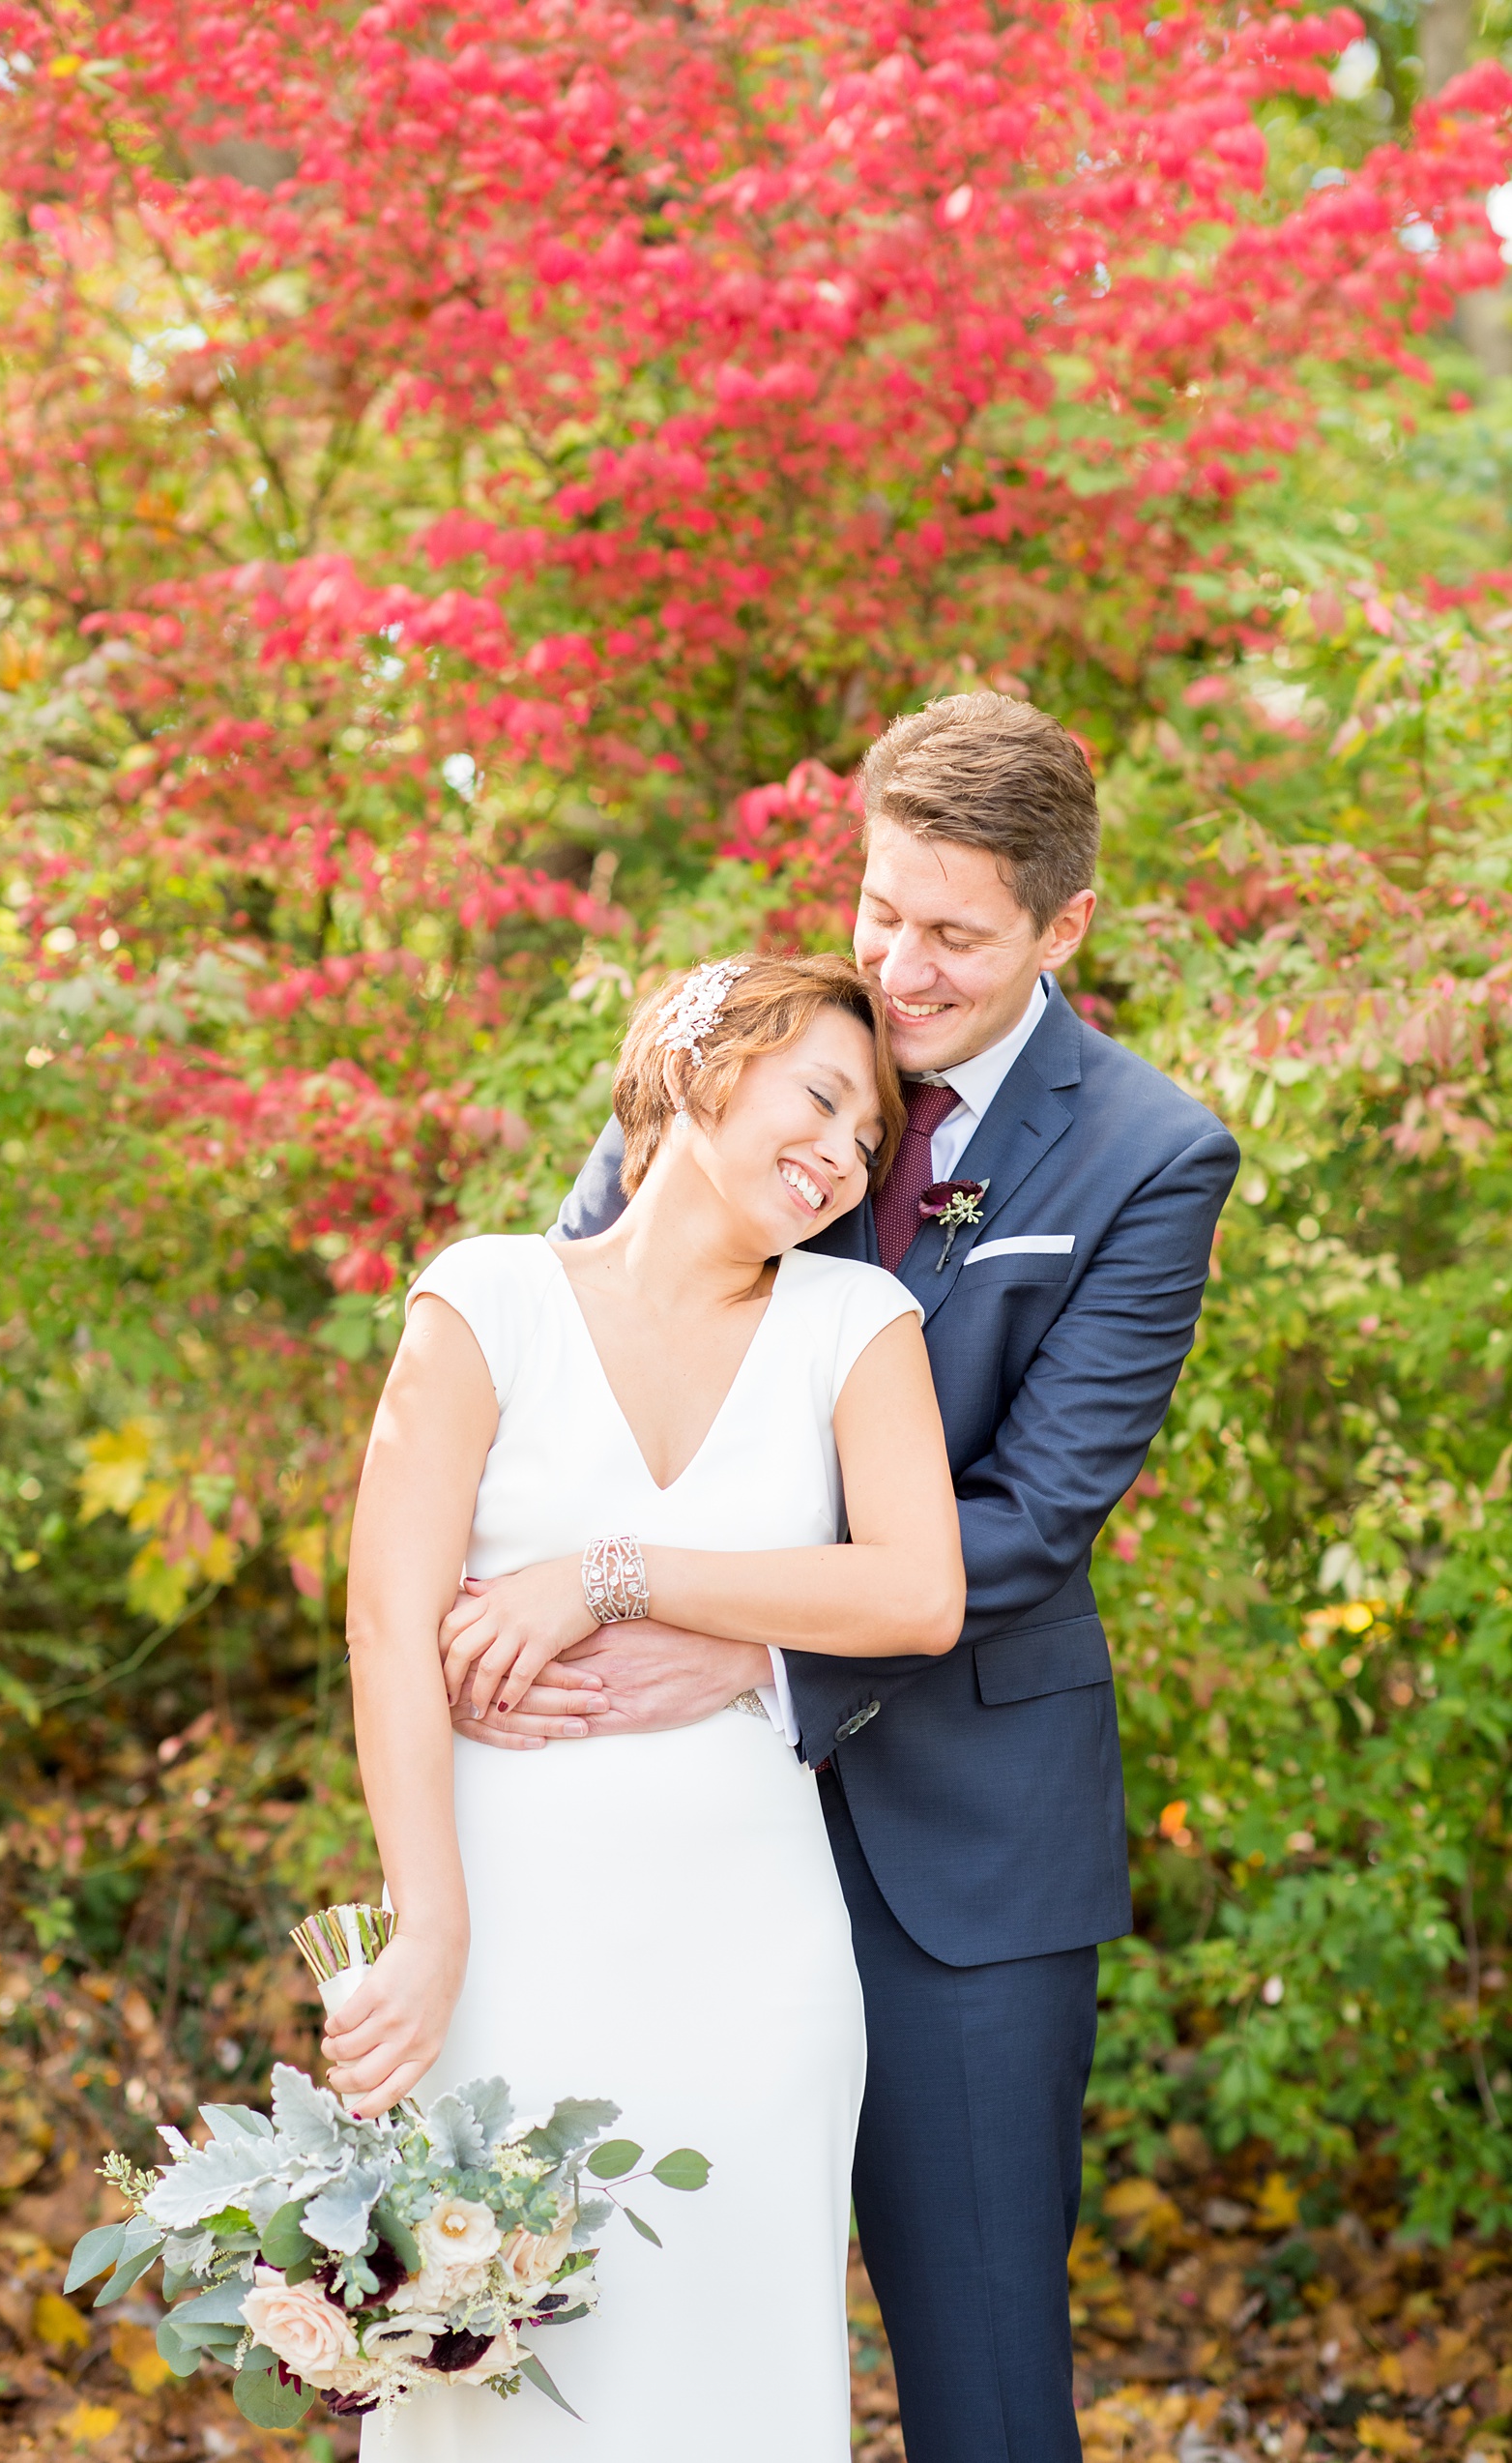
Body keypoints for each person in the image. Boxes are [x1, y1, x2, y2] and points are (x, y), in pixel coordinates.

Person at [468, 691, 1242, 2461]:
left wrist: (739, 1649)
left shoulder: (1147, 1157)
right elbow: (579, 1358)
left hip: (959, 1846)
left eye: (955, 933)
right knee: (622, 2332)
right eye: (880, 907)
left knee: (977, 2378)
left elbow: (1036, 1518)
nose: (898, 965)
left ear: (1064, 928)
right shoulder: (757, 1050)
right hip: (643, 1819)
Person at [325, 952, 966, 2461]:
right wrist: (430, 1929)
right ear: (698, 1063)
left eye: (867, 1139)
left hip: (752, 1951)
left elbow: (916, 1595)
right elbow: (384, 1627)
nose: (838, 1152)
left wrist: (614, 1574)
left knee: (728, 2368)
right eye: (818, 1095)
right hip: (502, 1926)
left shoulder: (857, 1321)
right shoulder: (486, 1296)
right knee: (484, 2369)